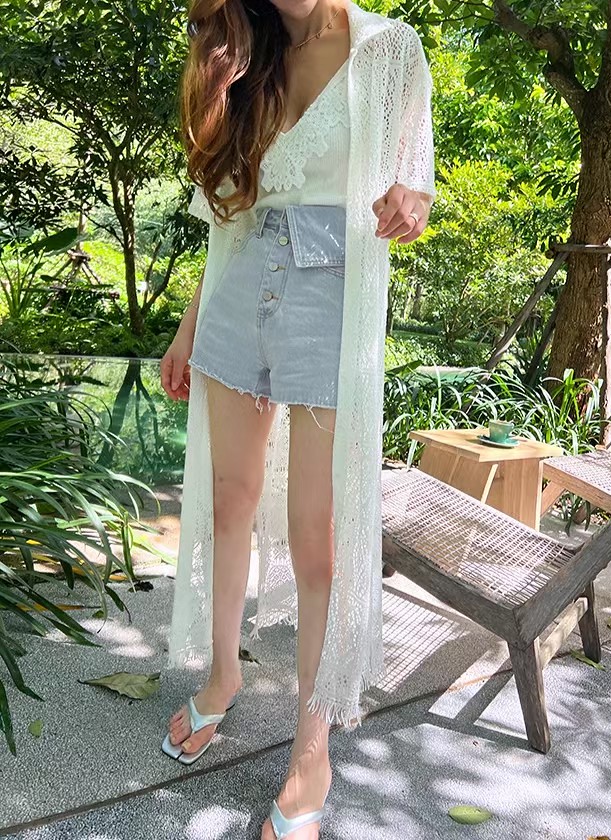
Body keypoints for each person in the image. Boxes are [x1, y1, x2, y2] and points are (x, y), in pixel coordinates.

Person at [160, 0, 435, 837]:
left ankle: (312, 751)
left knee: (318, 539)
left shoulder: (389, 50)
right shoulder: (249, 52)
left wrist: (411, 203)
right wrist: (188, 326)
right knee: (230, 500)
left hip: (331, 299)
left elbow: (413, 186)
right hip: (238, 287)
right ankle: (222, 678)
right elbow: (230, 210)